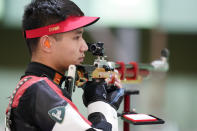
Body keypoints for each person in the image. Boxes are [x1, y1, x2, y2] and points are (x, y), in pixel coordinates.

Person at [5, 0, 124, 131]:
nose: (84, 47)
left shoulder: (37, 88)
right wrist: (101, 103)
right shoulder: (38, 91)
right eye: (76, 37)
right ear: (47, 43)